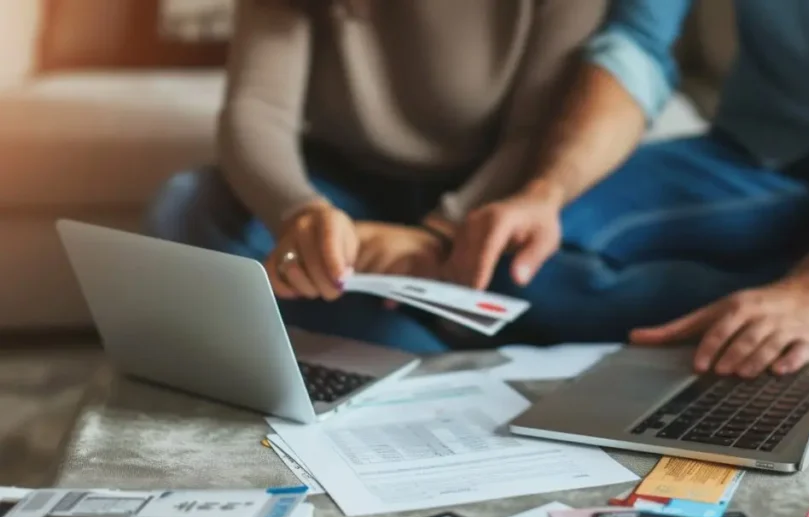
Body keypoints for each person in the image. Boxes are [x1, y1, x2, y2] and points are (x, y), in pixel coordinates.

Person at [446, 0, 809, 408]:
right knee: (514, 262)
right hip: (751, 158)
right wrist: (545, 190)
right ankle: (798, 336)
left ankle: (781, 324)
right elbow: (636, 44)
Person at [147, 0, 608, 353]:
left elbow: (535, 133)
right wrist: (301, 212)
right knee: (186, 204)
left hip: (489, 201)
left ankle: (368, 339)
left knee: (560, 276)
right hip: (341, 194)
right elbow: (258, 109)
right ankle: (425, 351)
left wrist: (441, 232)